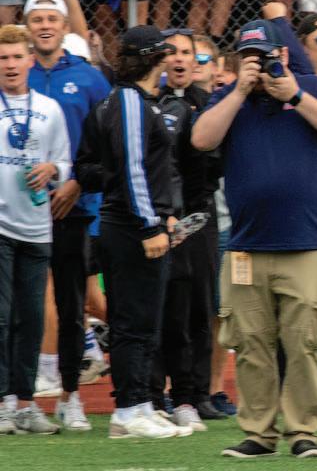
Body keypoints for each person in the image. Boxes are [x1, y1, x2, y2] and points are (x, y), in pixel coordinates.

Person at [192, 17, 317, 459]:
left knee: (304, 344)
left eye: (264, 56)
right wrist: (239, 92)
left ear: (282, 54)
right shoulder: (230, 97)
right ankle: (259, 433)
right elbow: (201, 139)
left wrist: (294, 95)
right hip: (247, 246)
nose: (258, 65)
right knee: (251, 344)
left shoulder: (312, 88)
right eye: (249, 58)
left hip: (307, 243)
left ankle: (304, 431)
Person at [74, 26, 183, 440]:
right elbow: (135, 169)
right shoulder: (131, 102)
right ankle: (128, 409)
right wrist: (150, 223)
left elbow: (92, 168)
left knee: (139, 320)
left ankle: (138, 404)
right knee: (135, 321)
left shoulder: (117, 102)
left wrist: (157, 212)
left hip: (123, 222)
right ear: (156, 58)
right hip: (133, 227)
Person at [25, 0, 109, 430]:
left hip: (75, 207)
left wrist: (78, 182)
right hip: (19, 209)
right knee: (19, 303)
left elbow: (107, 139)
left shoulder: (89, 78)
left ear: (63, 27)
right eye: (36, 19)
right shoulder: (13, 73)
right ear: (27, 27)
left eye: (51, 19)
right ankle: (19, 397)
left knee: (73, 302)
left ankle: (70, 395)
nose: (44, 25)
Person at [148, 28, 225, 430]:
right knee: (164, 306)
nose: (179, 59)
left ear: (196, 61)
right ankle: (154, 392)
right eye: (172, 52)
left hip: (200, 216)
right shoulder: (150, 102)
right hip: (161, 217)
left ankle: (197, 394)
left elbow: (217, 162)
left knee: (200, 304)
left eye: (186, 53)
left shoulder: (210, 105)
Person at [0, 24, 69, 436]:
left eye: (15, 57)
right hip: (0, 224)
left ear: (30, 60)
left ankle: (25, 404)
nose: (10, 65)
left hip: (37, 227)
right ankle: (2, 405)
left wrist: (52, 169)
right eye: (2, 58)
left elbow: (66, 162)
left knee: (30, 318)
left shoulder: (50, 109)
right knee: (1, 315)